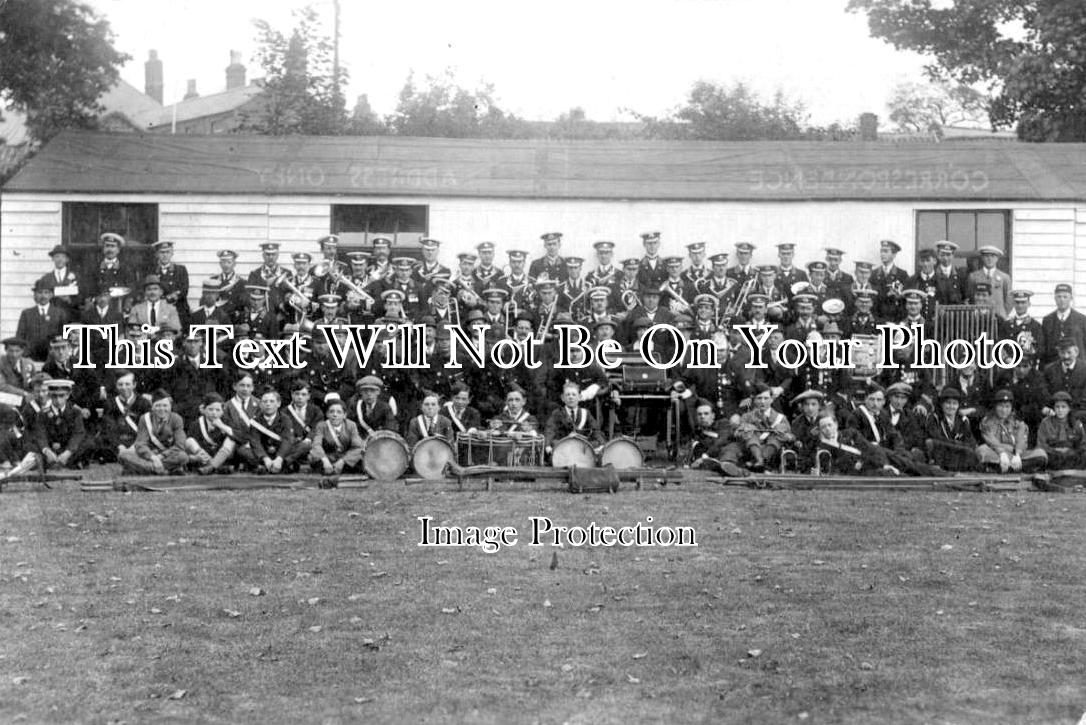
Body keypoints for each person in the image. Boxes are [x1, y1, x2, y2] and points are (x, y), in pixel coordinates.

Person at [118, 390, 189, 475]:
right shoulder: (144, 418)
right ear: (152, 407)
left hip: (168, 455)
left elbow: (180, 445)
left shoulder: (176, 419)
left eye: (165, 405)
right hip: (149, 455)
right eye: (158, 405)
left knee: (183, 457)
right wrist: (153, 457)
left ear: (170, 406)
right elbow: (140, 443)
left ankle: (145, 469)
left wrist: (160, 457)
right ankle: (162, 470)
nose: (162, 409)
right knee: (123, 454)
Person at [975, 389, 1046, 473]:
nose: (1004, 410)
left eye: (1007, 406)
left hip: (1015, 454)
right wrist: (1002, 453)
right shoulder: (987, 421)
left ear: (1011, 408)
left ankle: (1005, 468)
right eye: (1001, 406)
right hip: (996, 454)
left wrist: (1018, 454)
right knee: (981, 450)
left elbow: (1021, 440)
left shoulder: (1017, 421)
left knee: (1041, 454)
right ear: (995, 406)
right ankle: (1017, 468)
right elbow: (991, 440)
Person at [814, 414, 899, 476]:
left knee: (902, 461)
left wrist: (883, 464)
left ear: (836, 425)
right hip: (860, 472)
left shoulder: (850, 433)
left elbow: (867, 448)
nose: (827, 429)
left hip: (876, 458)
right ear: (820, 430)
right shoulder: (823, 447)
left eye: (829, 425)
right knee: (887, 473)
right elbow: (837, 467)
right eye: (824, 427)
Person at [735, 384, 794, 472]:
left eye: (766, 398)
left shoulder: (780, 418)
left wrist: (784, 435)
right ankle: (759, 460)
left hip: (773, 457)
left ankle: (762, 460)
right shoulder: (746, 417)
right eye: (759, 398)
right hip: (751, 452)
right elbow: (737, 434)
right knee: (748, 432)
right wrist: (747, 429)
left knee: (778, 436)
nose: (762, 402)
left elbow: (792, 437)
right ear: (754, 400)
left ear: (771, 400)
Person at [309, 398, 365, 482]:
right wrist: (325, 460)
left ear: (344, 415)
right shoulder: (321, 426)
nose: (335, 415)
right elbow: (316, 444)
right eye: (331, 412)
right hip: (328, 457)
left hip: (346, 457)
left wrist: (342, 461)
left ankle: (337, 469)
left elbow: (357, 447)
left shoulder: (351, 425)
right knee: (313, 457)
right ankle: (330, 468)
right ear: (327, 414)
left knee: (360, 457)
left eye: (339, 412)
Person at [543, 382, 605, 456]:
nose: (571, 397)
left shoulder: (585, 413)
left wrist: (602, 444)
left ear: (579, 397)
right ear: (562, 398)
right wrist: (547, 446)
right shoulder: (557, 413)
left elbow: (596, 431)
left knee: (595, 444)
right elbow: (550, 430)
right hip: (564, 449)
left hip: (581, 449)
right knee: (553, 443)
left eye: (574, 394)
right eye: (568, 394)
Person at [17, 279, 71, 362]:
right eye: (40, 293)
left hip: (53, 359)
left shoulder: (59, 313)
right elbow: (20, 337)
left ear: (51, 295)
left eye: (46, 292)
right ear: (35, 295)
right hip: (31, 358)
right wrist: (24, 355)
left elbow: (65, 337)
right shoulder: (27, 314)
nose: (43, 296)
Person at [184, 392, 238, 475]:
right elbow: (188, 446)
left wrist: (222, 426)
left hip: (223, 456)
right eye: (210, 409)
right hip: (204, 457)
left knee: (230, 440)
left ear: (222, 411)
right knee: (190, 441)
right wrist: (197, 457)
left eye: (217, 410)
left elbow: (239, 437)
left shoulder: (227, 421)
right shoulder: (197, 424)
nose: (214, 413)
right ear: (204, 409)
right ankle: (214, 466)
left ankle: (211, 467)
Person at [925, 387, 977, 472]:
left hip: (958, 456)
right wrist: (959, 445)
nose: (951, 407)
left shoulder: (963, 420)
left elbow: (971, 441)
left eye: (954, 403)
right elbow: (936, 439)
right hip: (940, 455)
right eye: (948, 403)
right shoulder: (934, 418)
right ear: (942, 404)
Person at [249, 388, 300, 473]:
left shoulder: (285, 419)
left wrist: (279, 458)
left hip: (281, 451)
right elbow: (255, 441)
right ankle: (271, 465)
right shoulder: (255, 421)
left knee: (301, 446)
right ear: (260, 404)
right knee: (244, 450)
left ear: (278, 404)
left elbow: (287, 440)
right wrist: (265, 458)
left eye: (272, 401)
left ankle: (273, 465)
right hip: (264, 452)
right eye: (265, 402)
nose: (268, 404)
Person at [688, 399, 744, 476]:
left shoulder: (723, 423)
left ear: (713, 415)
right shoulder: (697, 432)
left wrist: (706, 455)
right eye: (699, 414)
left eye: (706, 414)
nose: (702, 417)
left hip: (732, 453)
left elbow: (722, 440)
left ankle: (727, 465)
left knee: (731, 447)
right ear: (696, 417)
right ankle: (724, 467)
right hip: (714, 457)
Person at [1037, 391, 1086, 469]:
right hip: (1053, 457)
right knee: (1040, 456)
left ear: (1069, 408)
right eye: (1057, 407)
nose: (1060, 410)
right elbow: (1041, 444)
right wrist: (1055, 452)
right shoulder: (1046, 423)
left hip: (1072, 457)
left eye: (1063, 407)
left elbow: (1083, 444)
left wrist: (1071, 452)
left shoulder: (1076, 424)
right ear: (1053, 408)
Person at [1041, 283, 1086, 365]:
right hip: (1053, 367)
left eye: (1065, 297)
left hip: (1077, 367)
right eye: (1059, 296)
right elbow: (1044, 347)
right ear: (1055, 298)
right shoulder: (1047, 320)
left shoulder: (1081, 319)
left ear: (1071, 298)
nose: (1062, 300)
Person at [1041, 338, 1086, 420]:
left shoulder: (1084, 370)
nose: (1066, 356)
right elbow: (1045, 393)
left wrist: (1069, 411)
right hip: (1055, 412)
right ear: (1058, 353)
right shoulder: (1049, 370)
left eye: (1069, 352)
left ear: (1076, 352)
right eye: (1062, 353)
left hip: (1078, 413)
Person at [967, 245, 1012, 317]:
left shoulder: (1004, 277)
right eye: (986, 256)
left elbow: (1009, 300)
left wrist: (1002, 313)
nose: (989, 259)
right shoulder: (973, 277)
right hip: (979, 317)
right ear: (982, 258)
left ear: (997, 258)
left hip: (998, 317)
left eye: (993, 256)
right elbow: (971, 297)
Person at [349, 376, 397, 440]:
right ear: (361, 392)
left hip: (379, 443)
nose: (369, 394)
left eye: (372, 390)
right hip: (359, 443)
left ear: (378, 392)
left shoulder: (385, 408)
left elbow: (390, 428)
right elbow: (349, 427)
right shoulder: (355, 407)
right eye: (365, 391)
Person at [40, 245, 84, 314]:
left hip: (70, 316)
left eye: (63, 256)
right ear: (53, 258)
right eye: (57, 256)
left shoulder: (75, 277)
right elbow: (40, 298)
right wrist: (51, 296)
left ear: (67, 259)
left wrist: (69, 300)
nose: (60, 259)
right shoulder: (46, 278)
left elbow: (81, 297)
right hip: (52, 317)